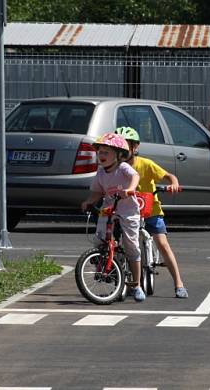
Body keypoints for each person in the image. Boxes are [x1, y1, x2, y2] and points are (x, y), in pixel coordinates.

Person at [115, 126, 188, 299]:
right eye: (120, 147)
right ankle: (119, 276)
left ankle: (178, 283)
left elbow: (169, 176)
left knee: (162, 243)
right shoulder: (116, 168)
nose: (123, 150)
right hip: (126, 212)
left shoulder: (146, 165)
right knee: (117, 242)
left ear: (135, 147)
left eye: (127, 146)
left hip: (150, 210)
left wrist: (173, 184)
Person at [80, 132, 145, 302]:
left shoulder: (122, 168)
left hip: (128, 210)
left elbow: (135, 176)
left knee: (131, 246)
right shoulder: (101, 173)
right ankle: (104, 263)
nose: (102, 155)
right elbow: (97, 192)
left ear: (118, 155)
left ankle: (136, 284)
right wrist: (88, 201)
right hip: (109, 209)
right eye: (100, 152)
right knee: (99, 239)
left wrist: (130, 189)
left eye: (106, 152)